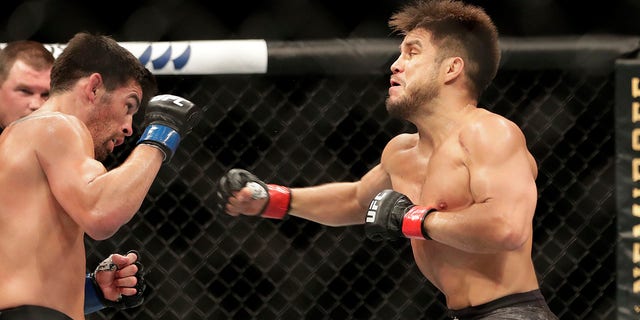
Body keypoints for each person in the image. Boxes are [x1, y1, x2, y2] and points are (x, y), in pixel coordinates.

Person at [216, 0, 558, 319]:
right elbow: (355, 200)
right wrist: (271, 199)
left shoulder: (489, 133)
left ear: (452, 68)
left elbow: (506, 227)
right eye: (400, 53)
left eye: (413, 52)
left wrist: (413, 220)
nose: (396, 64)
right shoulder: (401, 152)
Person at [0, 32, 201, 320]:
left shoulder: (18, 144)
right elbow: (100, 212)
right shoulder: (56, 126)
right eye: (128, 106)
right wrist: (160, 135)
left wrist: (94, 291)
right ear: (94, 87)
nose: (129, 127)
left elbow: (22, 281)